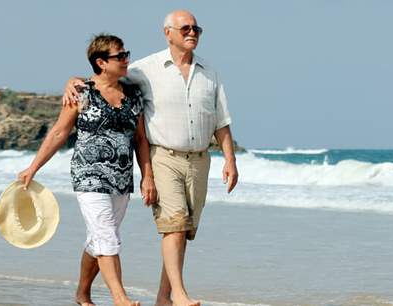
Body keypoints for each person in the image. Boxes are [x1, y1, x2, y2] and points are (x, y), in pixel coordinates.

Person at [63, 10, 238, 306]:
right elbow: (103, 74)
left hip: (199, 160)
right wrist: (74, 80)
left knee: (183, 230)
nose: (192, 32)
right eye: (185, 28)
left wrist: (230, 160)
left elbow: (222, 121)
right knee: (175, 225)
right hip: (163, 156)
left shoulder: (209, 72)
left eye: (196, 28)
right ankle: (174, 295)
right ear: (167, 33)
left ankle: (162, 298)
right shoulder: (145, 70)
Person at [19, 34, 157, 306]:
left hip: (121, 179)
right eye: (120, 56)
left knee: (100, 239)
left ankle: (82, 294)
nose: (126, 59)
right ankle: (120, 299)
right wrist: (33, 167)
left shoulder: (133, 94)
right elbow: (60, 132)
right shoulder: (81, 93)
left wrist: (147, 176)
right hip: (89, 176)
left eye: (126, 54)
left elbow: (141, 139)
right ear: (101, 62)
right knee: (107, 235)